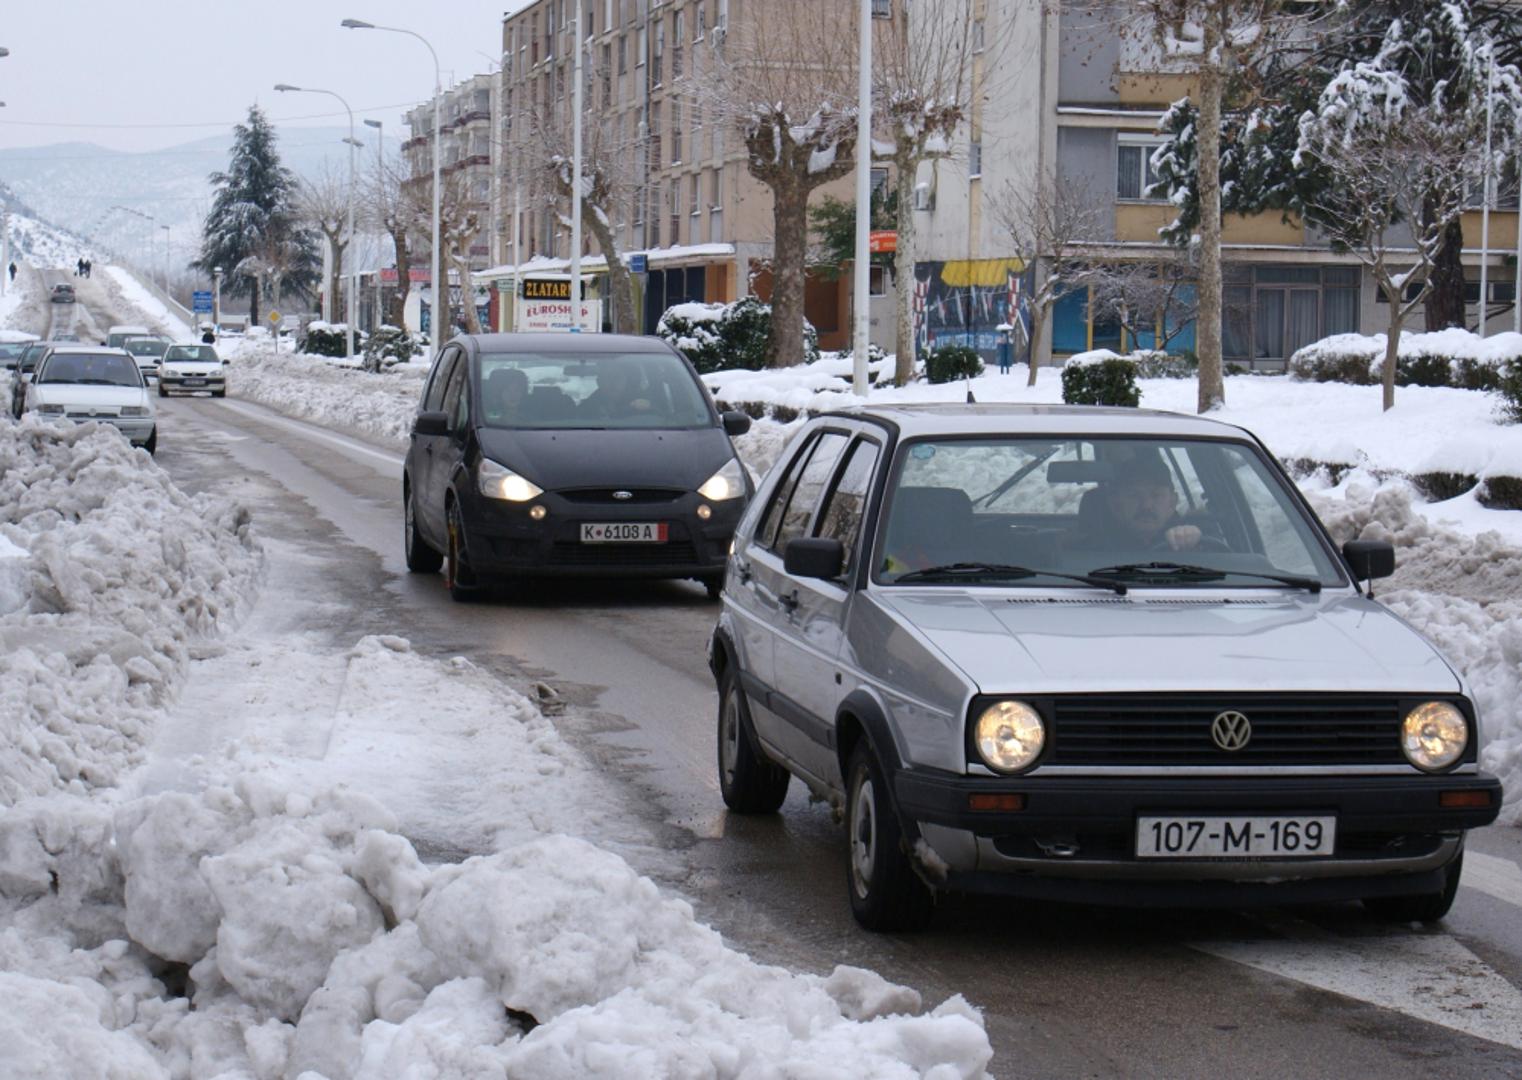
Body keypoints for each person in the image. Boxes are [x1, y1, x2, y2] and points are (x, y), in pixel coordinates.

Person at [1075, 455, 1220, 553]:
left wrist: (1196, 539)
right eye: (1134, 496)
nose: (1146, 505)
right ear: (1115, 505)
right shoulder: (1088, 553)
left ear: (1173, 502)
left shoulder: (1195, 539)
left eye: (1156, 495)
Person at [580, 361, 652, 419]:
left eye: (617, 377)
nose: (613, 382)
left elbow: (656, 415)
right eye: (608, 377)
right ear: (599, 382)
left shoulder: (641, 401)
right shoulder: (587, 408)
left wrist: (650, 406)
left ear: (626, 381)